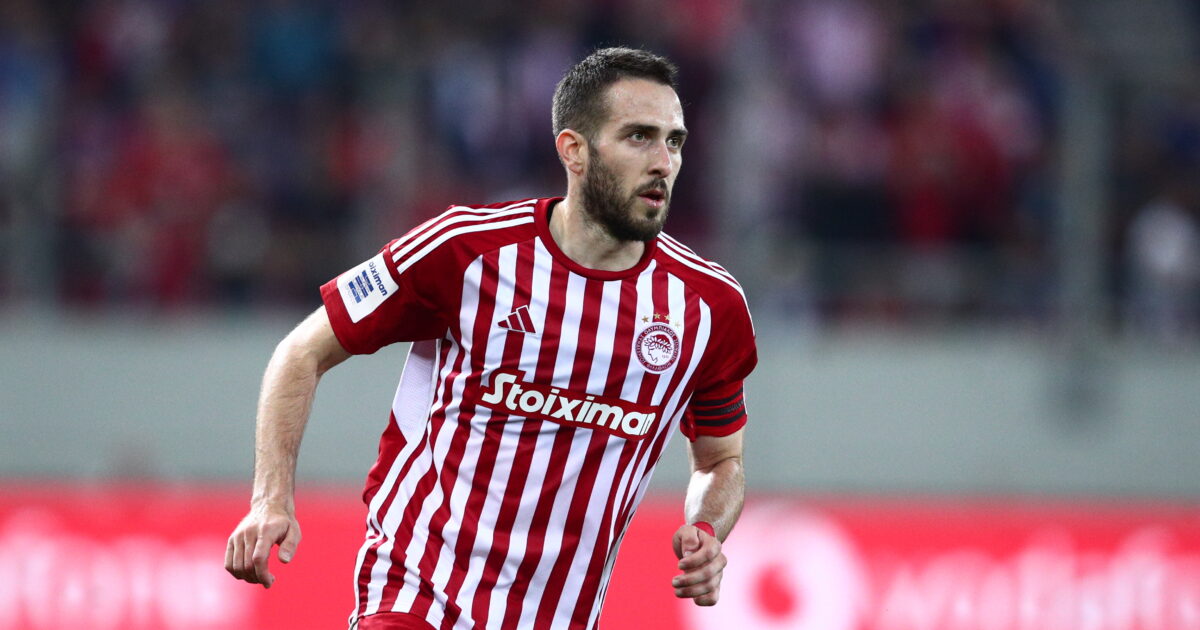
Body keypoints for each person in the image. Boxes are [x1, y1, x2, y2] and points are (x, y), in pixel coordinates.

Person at [224, 47, 757, 630]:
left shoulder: (711, 308)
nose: (663, 162)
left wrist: (707, 528)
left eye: (674, 141)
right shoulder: (465, 249)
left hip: (558, 616)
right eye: (639, 137)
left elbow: (720, 460)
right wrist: (270, 499)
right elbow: (300, 351)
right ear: (574, 150)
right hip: (418, 593)